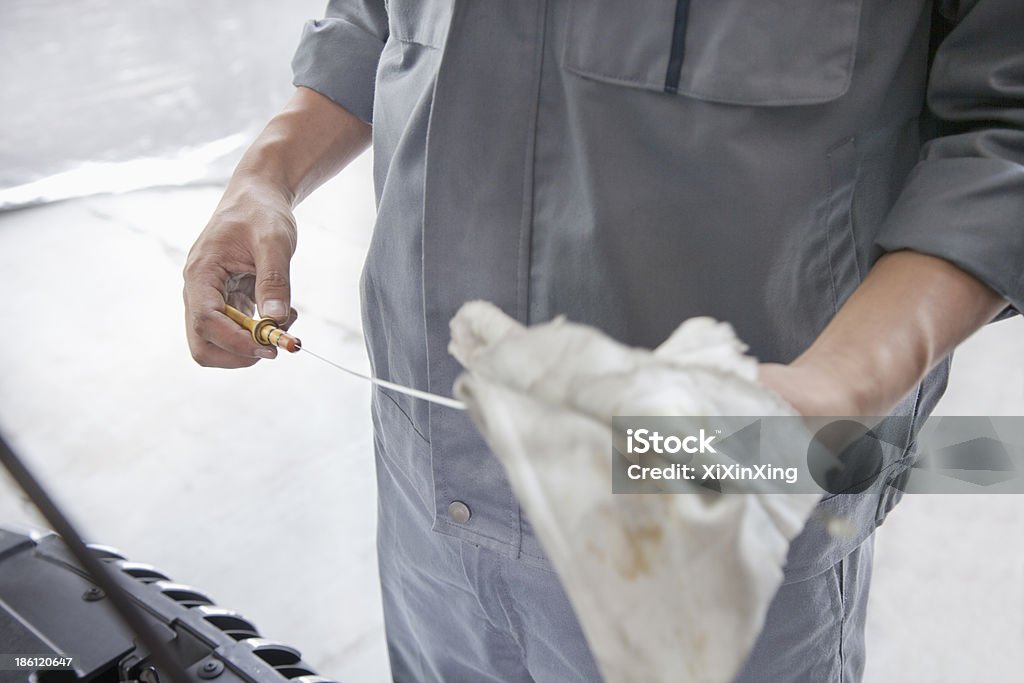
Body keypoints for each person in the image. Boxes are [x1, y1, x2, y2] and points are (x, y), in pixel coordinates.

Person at [183, 2, 1023, 680]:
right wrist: (268, 172)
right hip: (427, 487)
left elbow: (1005, 131)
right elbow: (377, 20)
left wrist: (840, 387)